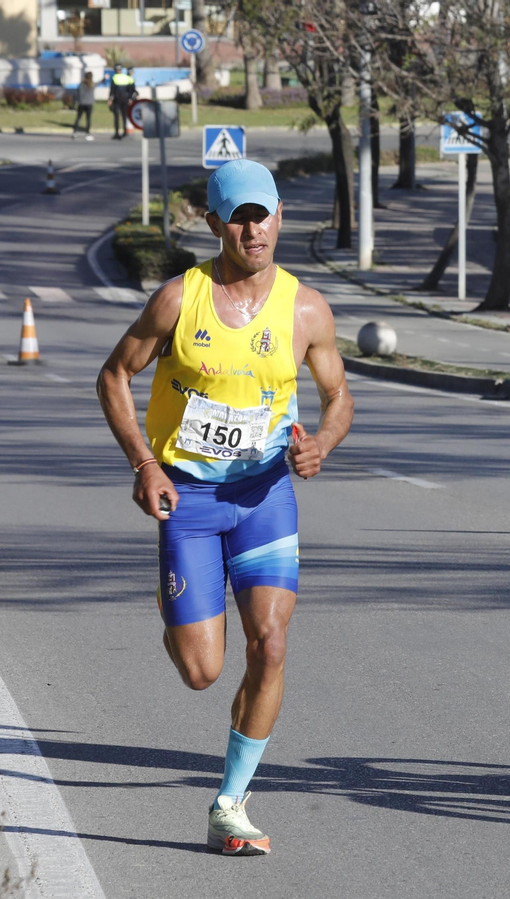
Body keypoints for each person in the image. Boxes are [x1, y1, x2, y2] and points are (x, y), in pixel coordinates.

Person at [96, 159, 354, 855]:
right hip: (191, 497)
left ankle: (230, 802)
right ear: (213, 224)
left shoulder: (306, 309)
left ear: (280, 218)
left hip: (266, 495)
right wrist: (145, 463)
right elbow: (115, 375)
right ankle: (177, 600)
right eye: (237, 216)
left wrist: (322, 443)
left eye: (262, 213)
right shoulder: (180, 300)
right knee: (202, 671)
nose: (252, 228)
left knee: (270, 644)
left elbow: (338, 397)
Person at [109, 68, 136, 139]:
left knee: (116, 116)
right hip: (125, 100)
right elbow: (132, 90)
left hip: (117, 100)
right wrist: (131, 98)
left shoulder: (114, 77)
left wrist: (110, 99)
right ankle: (125, 132)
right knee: (124, 116)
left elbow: (112, 90)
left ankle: (117, 133)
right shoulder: (128, 78)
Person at [72, 72, 96, 141]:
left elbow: (76, 94)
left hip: (82, 103)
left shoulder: (81, 84)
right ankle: (87, 133)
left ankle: (75, 132)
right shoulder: (92, 85)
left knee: (78, 118)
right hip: (89, 104)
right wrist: (104, 79)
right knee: (88, 119)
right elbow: (98, 83)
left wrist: (75, 102)